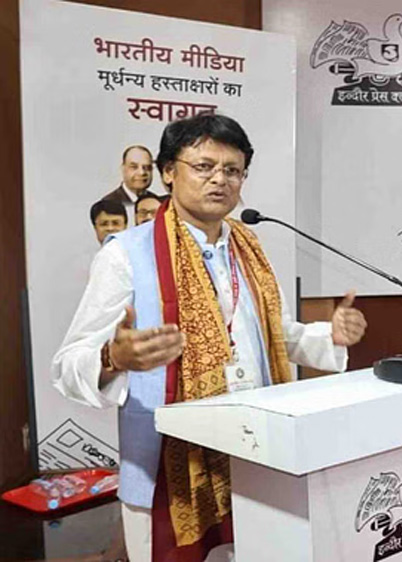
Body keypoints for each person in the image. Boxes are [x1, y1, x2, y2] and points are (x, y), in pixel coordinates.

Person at [53, 114, 368, 562]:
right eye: (203, 166)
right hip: (168, 473)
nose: (220, 179)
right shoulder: (126, 254)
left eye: (233, 170)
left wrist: (329, 336)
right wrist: (113, 357)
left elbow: (274, 338)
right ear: (168, 171)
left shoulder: (249, 249)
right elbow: (68, 364)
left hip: (257, 461)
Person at [103, 145, 160, 225]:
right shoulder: (109, 203)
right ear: (123, 168)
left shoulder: (157, 202)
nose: (142, 172)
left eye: (147, 167)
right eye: (134, 167)